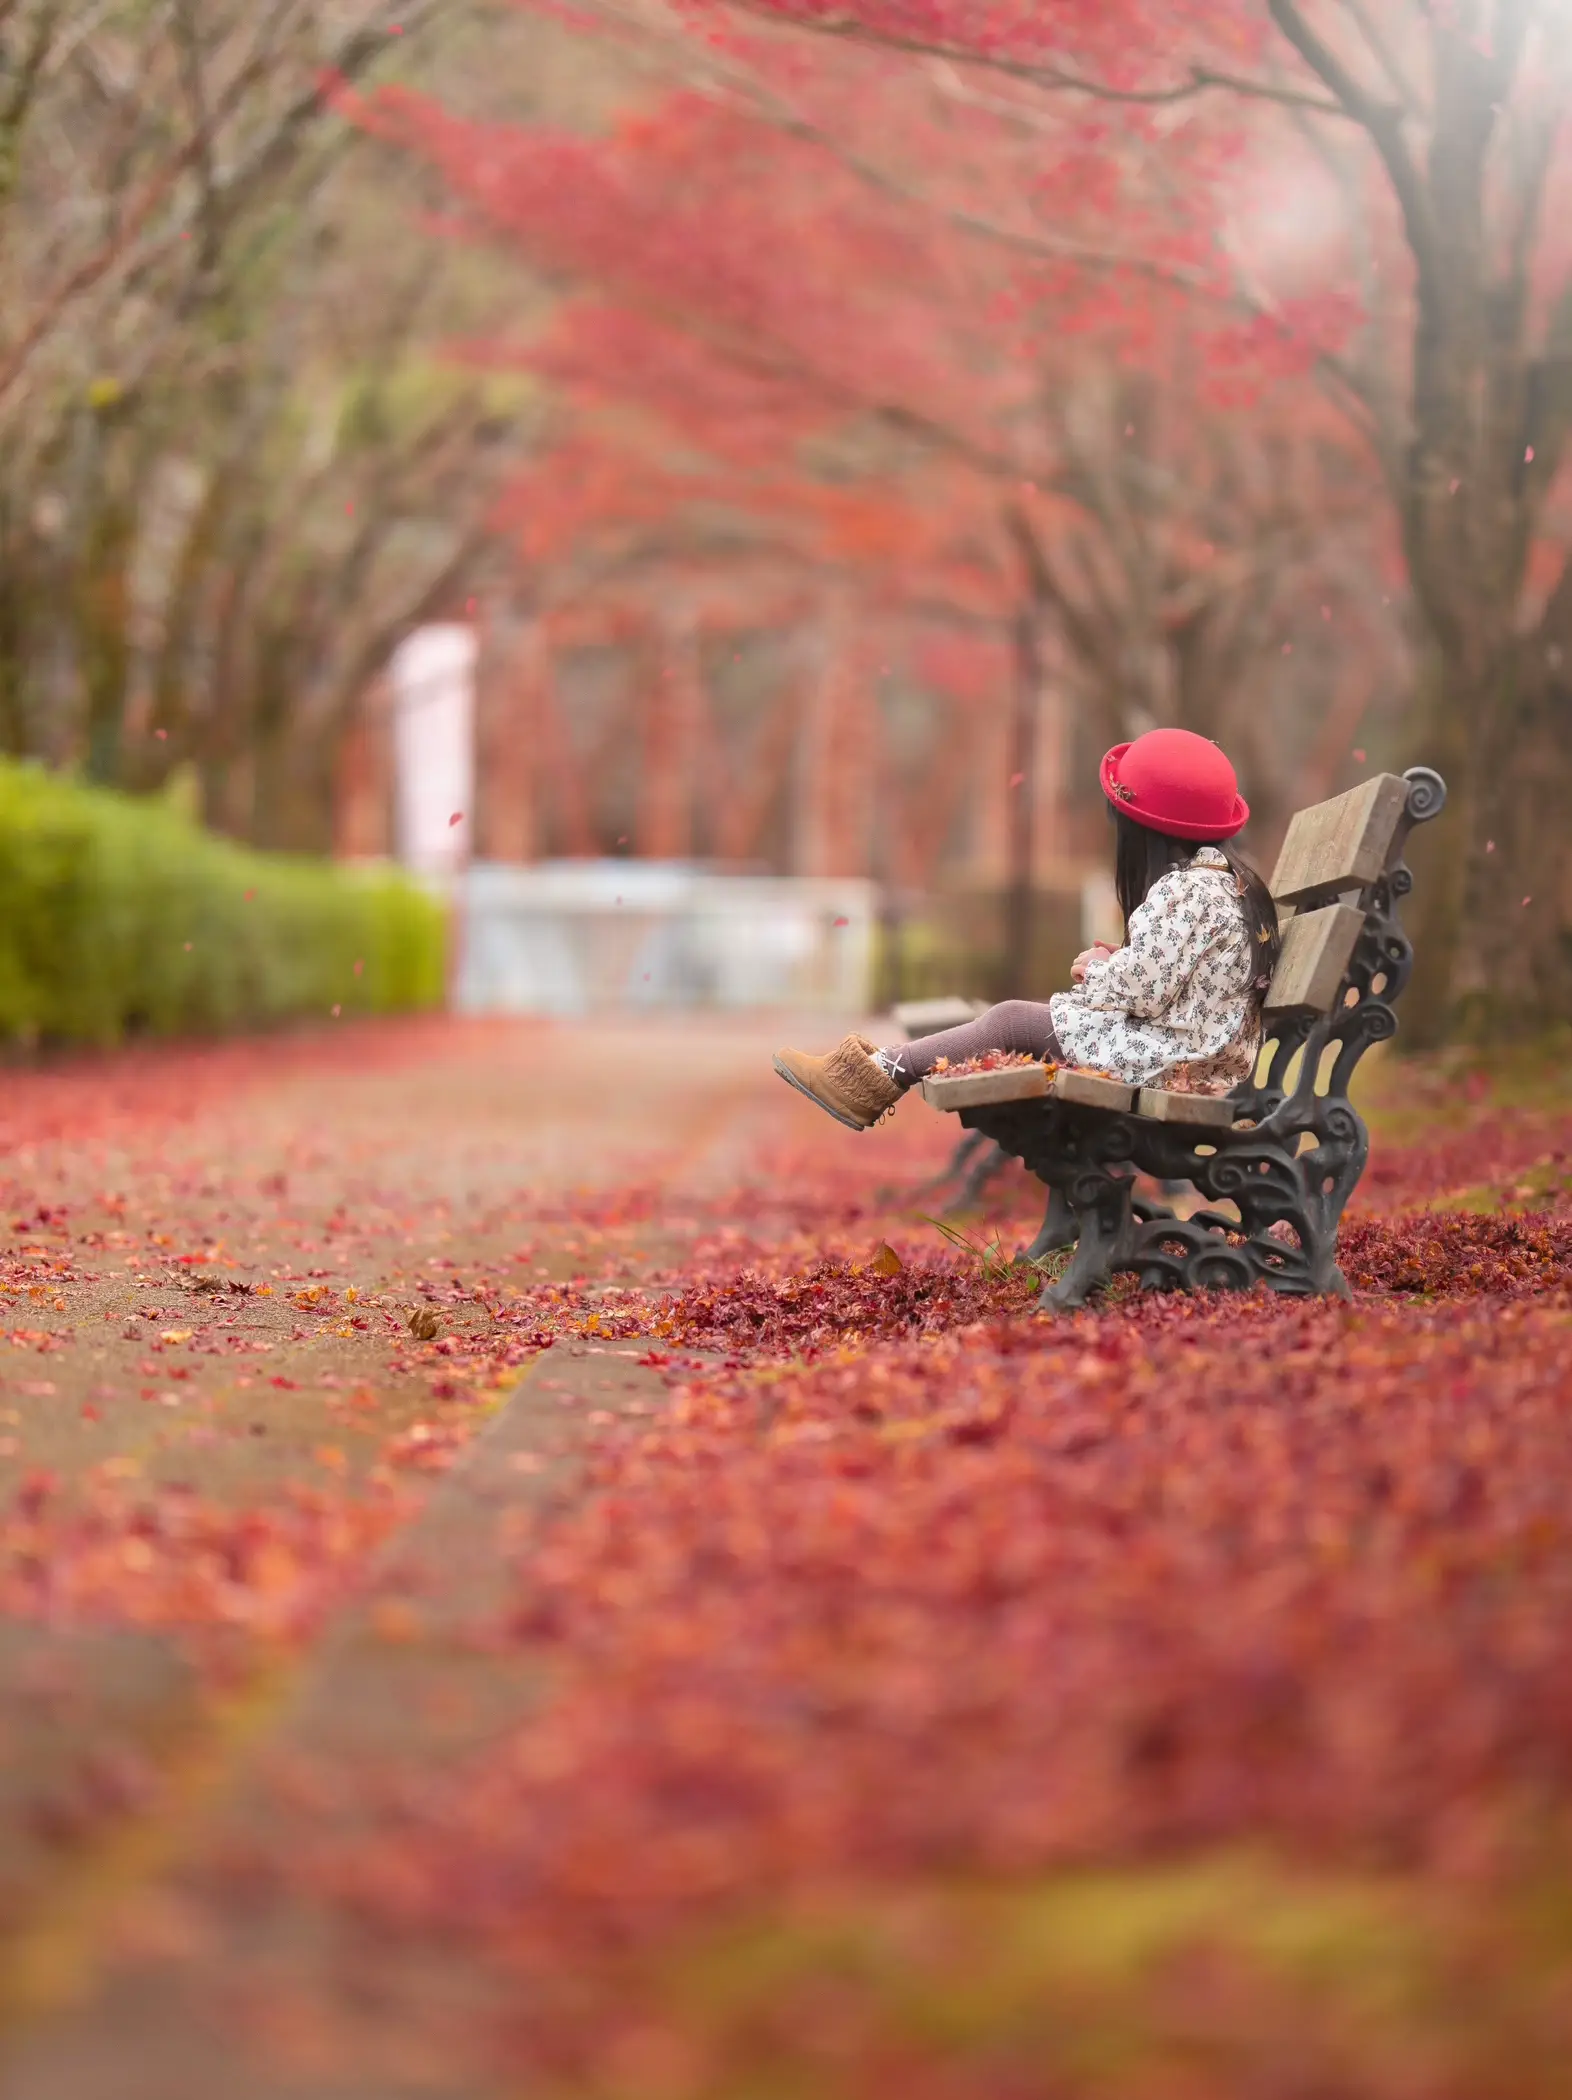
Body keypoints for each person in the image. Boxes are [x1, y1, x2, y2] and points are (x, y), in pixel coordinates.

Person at [774, 727, 1281, 1132]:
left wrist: (1103, 968)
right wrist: (1122, 962)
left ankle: (872, 1078)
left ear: (1142, 829)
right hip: (1196, 1059)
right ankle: (880, 1071)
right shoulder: (1229, 884)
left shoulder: (1188, 891)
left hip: (1173, 1065)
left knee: (1013, 1021)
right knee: (1019, 1018)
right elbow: (1174, 979)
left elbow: (1144, 993)